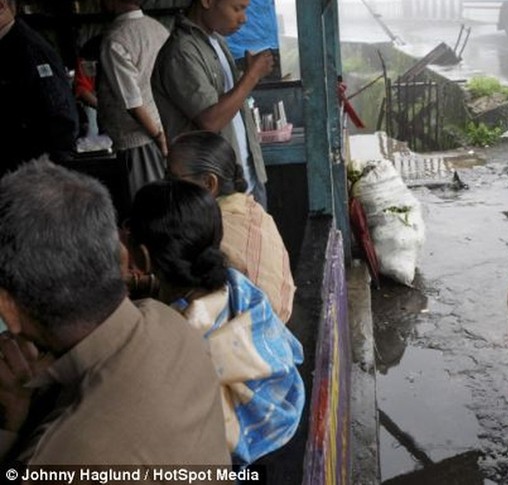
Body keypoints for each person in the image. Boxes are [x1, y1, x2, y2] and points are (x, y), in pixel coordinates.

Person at [0, 158, 230, 467]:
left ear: (8, 310)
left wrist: (11, 424)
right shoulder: (171, 322)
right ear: (122, 257)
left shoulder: (55, 457)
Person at [127, 179, 305, 466]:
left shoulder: (172, 335)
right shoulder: (238, 285)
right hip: (287, 413)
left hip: (245, 451)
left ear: (142, 256)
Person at [152, 0, 273, 209]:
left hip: (244, 179)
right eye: (237, 8)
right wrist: (251, 76)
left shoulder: (215, 41)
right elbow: (211, 120)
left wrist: (245, 75)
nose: (244, 18)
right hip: (213, 195)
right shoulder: (182, 52)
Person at [167, 130, 295, 323]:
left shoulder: (209, 234)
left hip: (248, 339)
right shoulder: (252, 210)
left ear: (209, 184)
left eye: (172, 179)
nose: (165, 187)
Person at [97, 0, 170, 207]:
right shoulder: (159, 29)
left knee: (146, 211)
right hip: (165, 133)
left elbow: (132, 101)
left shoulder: (115, 39)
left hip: (139, 142)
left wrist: (157, 136)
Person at [0, 0, 78, 175]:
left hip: (32, 172)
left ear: (2, 6)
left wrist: (49, 174)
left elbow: (61, 118)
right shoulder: (9, 46)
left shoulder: (29, 49)